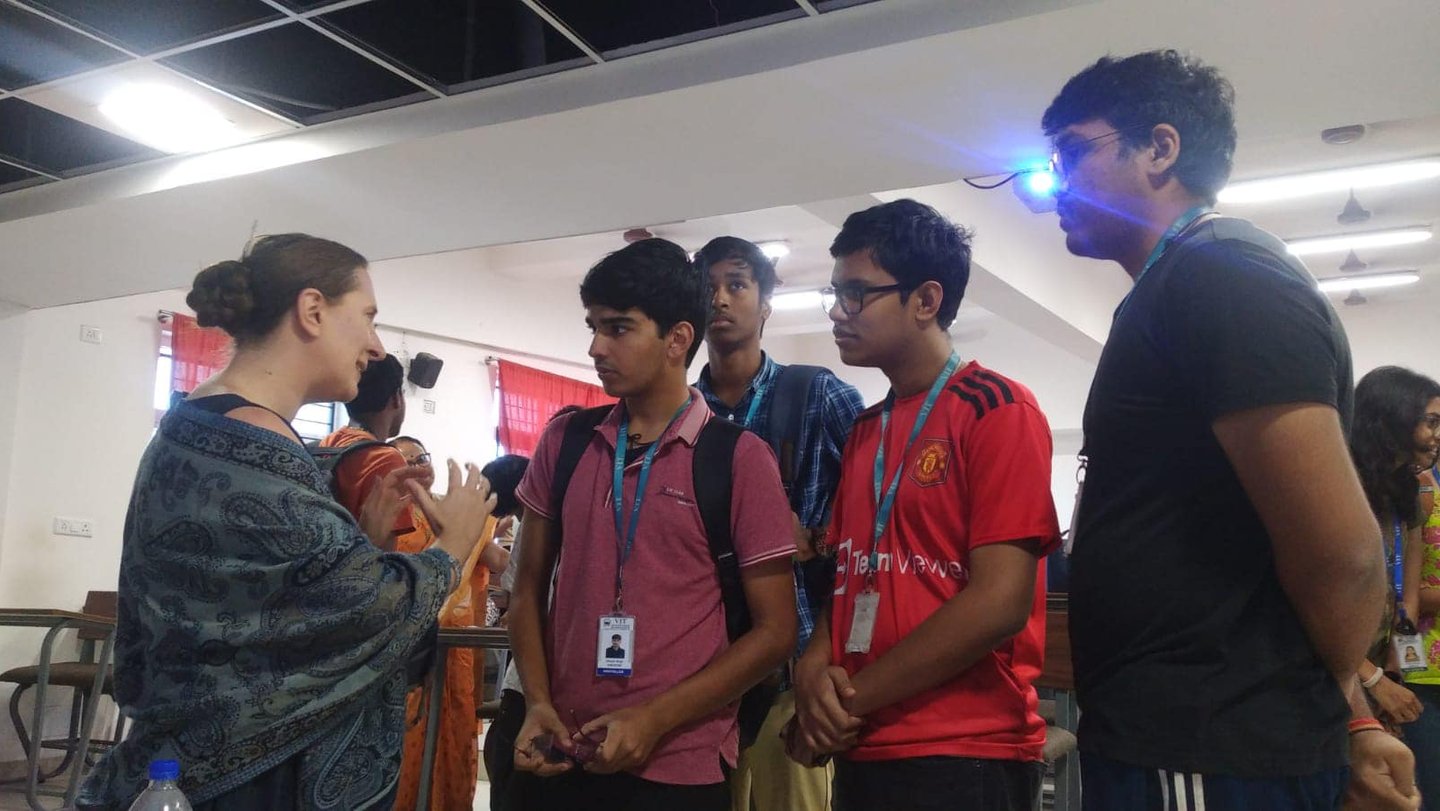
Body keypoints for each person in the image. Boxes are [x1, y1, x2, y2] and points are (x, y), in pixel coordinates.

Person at [1041, 50, 1417, 809]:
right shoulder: (1181, 285)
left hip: (1208, 745)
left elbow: (1342, 557)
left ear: (1160, 148)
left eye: (1073, 152)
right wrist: (1351, 716)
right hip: (1183, 739)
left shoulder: (1222, 277)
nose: (1055, 182)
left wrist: (1336, 713)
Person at [77, 234, 496, 810]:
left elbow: (280, 603)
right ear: (313, 310)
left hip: (193, 759)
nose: (376, 347)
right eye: (368, 317)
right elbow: (361, 605)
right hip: (250, 779)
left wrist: (364, 540)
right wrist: (456, 544)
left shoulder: (203, 419)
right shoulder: (252, 442)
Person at [508, 238, 798, 810]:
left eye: (618, 328)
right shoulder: (566, 441)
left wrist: (654, 719)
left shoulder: (737, 458)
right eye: (593, 326)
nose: (596, 347)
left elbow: (775, 633)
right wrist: (537, 701)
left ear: (678, 339)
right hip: (561, 749)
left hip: (677, 764)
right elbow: (527, 588)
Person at [790, 199, 1060, 811]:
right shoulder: (865, 430)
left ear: (926, 300)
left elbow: (999, 604)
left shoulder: (997, 409)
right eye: (835, 293)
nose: (837, 311)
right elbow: (850, 575)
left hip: (963, 750)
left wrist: (843, 704)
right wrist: (810, 671)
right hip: (866, 743)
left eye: (856, 293)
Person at [692, 236, 865, 811]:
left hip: (793, 667)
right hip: (700, 671)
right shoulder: (682, 413)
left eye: (736, 285)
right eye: (708, 288)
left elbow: (884, 494)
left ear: (766, 303)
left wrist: (816, 539)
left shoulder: (815, 393)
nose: (720, 299)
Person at [382, 435, 507, 811]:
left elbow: (497, 561)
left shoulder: (452, 512)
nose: (419, 466)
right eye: (407, 460)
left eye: (422, 457)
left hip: (453, 651)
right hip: (401, 651)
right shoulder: (385, 514)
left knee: (451, 734)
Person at [1349, 367, 1439, 747]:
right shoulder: (1345, 489)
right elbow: (1308, 607)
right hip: (1330, 672)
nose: (1438, 435)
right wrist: (1372, 680)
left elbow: (1408, 597)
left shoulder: (1406, 494)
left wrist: (1393, 671)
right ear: (1392, 418)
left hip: (1378, 667)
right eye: (1431, 422)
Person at [319, 354, 414, 551]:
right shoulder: (386, 459)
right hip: (356, 567)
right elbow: (383, 556)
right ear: (397, 398)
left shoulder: (327, 443)